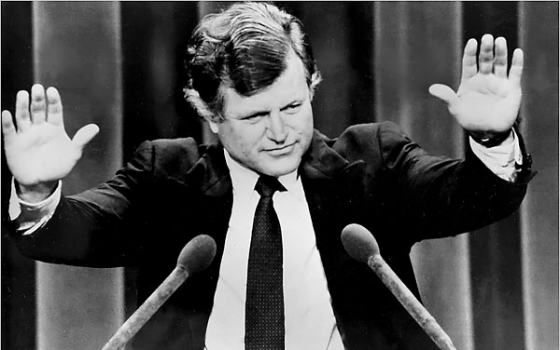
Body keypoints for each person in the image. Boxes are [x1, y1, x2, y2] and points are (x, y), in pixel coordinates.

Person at [2, 2, 533, 350]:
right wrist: (36, 190)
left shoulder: (372, 162)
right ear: (209, 114)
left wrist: (491, 138)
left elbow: (478, 197)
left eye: (294, 105)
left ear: (313, 84)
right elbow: (69, 233)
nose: (281, 132)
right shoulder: (165, 176)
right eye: (255, 116)